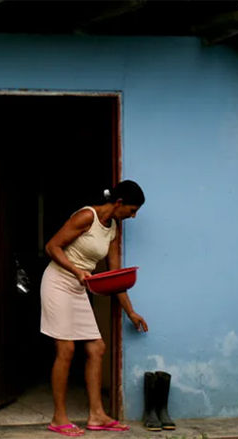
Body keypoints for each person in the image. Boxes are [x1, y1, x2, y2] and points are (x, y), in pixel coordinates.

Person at [42, 180, 147, 437]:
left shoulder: (113, 230)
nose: (133, 216)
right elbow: (52, 246)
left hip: (79, 287)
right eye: (132, 210)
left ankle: (97, 415)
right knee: (65, 348)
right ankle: (58, 418)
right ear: (119, 203)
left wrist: (130, 312)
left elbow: (115, 277)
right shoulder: (86, 216)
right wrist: (76, 270)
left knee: (97, 348)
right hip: (58, 282)